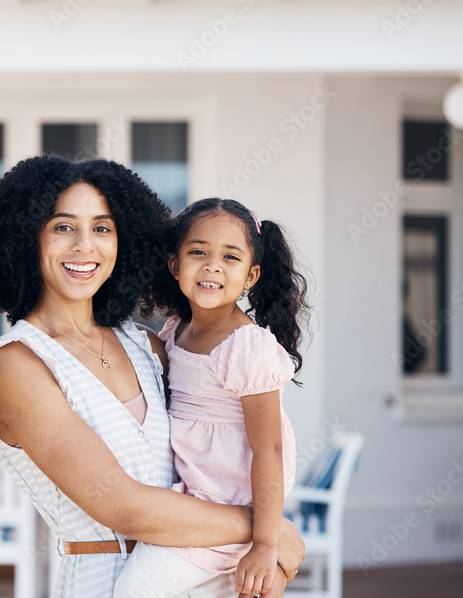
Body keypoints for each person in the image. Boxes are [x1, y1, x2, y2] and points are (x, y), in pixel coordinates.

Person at [0, 156, 305, 598]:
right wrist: (268, 527)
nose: (84, 246)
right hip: (107, 582)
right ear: (27, 237)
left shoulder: (148, 345)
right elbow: (123, 507)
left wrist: (268, 551)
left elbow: (239, 441)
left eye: (103, 228)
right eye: (63, 227)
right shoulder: (19, 364)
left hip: (210, 577)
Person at [115, 197, 310, 597]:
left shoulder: (245, 347)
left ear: (251, 276)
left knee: (135, 590)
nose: (212, 265)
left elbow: (268, 449)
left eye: (230, 257)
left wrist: (266, 545)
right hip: (193, 503)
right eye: (198, 252)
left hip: (228, 511)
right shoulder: (174, 332)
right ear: (174, 264)